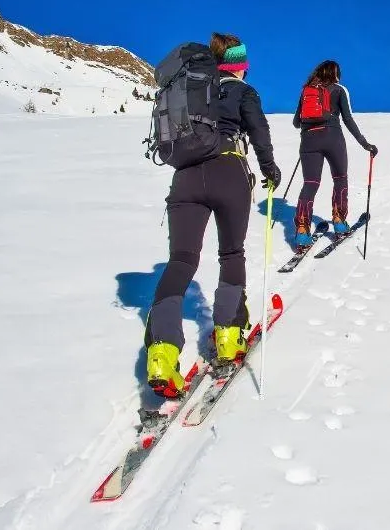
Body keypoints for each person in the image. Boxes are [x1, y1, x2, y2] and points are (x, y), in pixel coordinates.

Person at [145, 33, 282, 397]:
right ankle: (228, 336)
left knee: (181, 261)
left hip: (186, 177)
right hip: (229, 170)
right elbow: (259, 132)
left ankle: (161, 352)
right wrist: (270, 169)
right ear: (239, 65)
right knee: (231, 253)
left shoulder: (192, 90)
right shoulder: (243, 92)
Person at [292, 60, 377, 249]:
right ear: (335, 73)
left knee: (310, 184)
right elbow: (348, 119)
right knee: (340, 178)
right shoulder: (339, 90)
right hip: (333, 138)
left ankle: (302, 231)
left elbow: (296, 122)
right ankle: (339, 222)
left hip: (308, 141)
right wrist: (365, 144)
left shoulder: (307, 90)